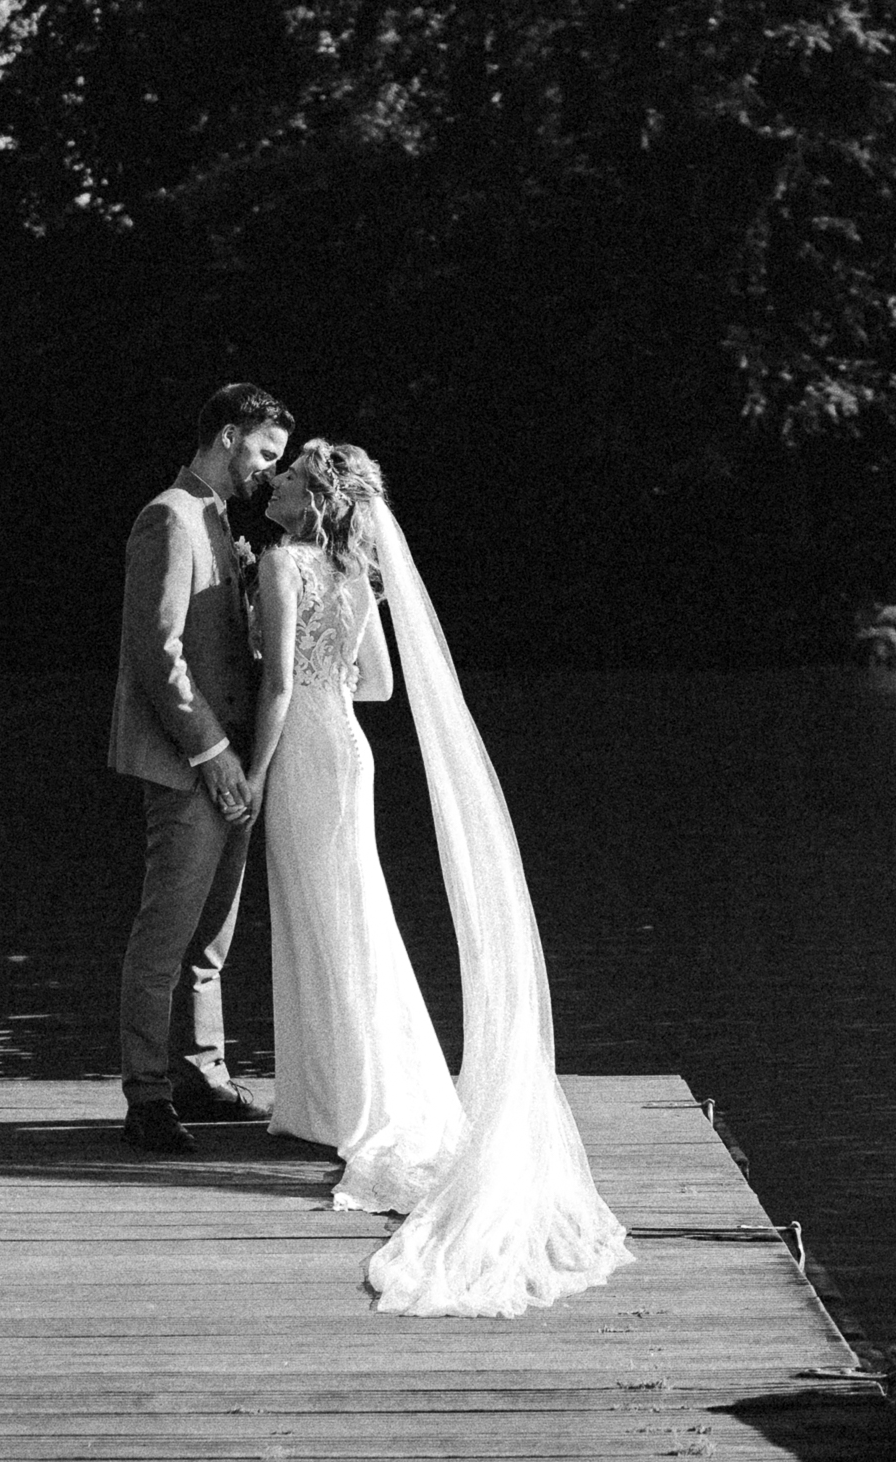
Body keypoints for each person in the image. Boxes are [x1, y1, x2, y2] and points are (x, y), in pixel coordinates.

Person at [248, 440, 634, 1315]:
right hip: (350, 748)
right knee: (356, 921)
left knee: (323, 923)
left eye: (288, 474)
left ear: (311, 495)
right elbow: (378, 684)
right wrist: (328, 675)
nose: (272, 482)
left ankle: (338, 1102)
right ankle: (353, 1097)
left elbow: (274, 685)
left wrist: (253, 773)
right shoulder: (351, 576)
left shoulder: (281, 562)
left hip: (305, 756)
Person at [111, 382, 292, 1153]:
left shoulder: (222, 524)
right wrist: (214, 754)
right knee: (167, 933)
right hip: (188, 766)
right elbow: (158, 654)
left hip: (236, 765)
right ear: (226, 435)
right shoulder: (169, 517)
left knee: (213, 939)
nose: (265, 471)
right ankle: (147, 1097)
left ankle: (202, 1075)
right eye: (262, 453)